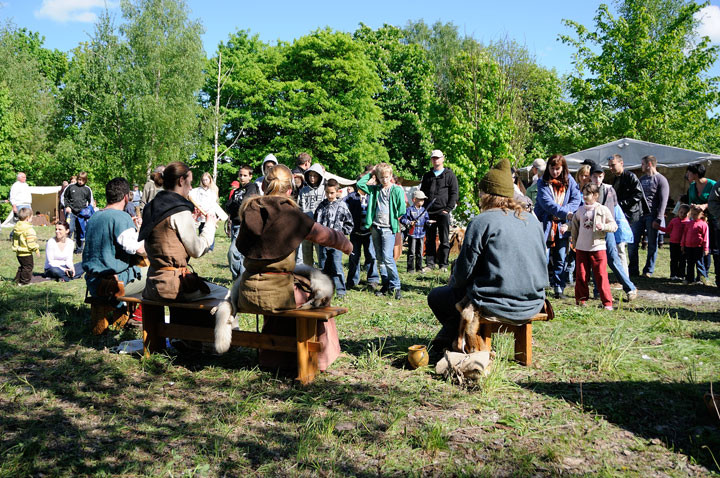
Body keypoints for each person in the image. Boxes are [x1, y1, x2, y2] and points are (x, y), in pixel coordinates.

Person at [234, 164, 352, 371]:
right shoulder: (291, 214)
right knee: (318, 296)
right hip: (280, 293)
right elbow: (325, 235)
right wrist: (345, 243)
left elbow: (240, 245)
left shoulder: (249, 210)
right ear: (290, 190)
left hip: (248, 290)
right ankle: (318, 361)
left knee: (294, 291)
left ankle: (272, 358)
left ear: (265, 186)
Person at [428, 158, 547, 350]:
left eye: (481, 191)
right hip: (534, 301)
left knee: (437, 296)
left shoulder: (482, 221)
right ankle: (449, 334)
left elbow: (463, 273)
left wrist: (454, 279)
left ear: (487, 194)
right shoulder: (533, 221)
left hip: (496, 303)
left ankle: (464, 338)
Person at [83, 178, 147, 298]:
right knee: (156, 275)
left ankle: (128, 311)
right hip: (113, 284)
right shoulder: (121, 217)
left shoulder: (94, 217)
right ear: (126, 197)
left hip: (92, 282)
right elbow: (139, 249)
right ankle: (138, 316)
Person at [357, 163, 407, 299]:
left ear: (391, 176)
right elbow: (360, 184)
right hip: (376, 226)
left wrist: (395, 215)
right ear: (378, 177)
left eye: (387, 177)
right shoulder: (374, 190)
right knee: (379, 258)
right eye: (381, 177)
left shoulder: (396, 190)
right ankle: (385, 284)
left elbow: (402, 208)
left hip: (388, 228)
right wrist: (372, 172)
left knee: (388, 258)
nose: (384, 180)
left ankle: (396, 286)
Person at [534, 154, 582, 299]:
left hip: (562, 226)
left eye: (558, 169)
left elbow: (576, 199)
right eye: (552, 168)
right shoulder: (542, 183)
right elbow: (546, 203)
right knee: (543, 257)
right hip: (546, 225)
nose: (555, 172)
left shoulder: (570, 181)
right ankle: (538, 288)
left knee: (561, 256)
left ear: (563, 168)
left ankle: (559, 289)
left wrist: (565, 213)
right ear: (548, 167)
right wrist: (564, 213)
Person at [589, 162, 637, 301]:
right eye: (595, 176)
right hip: (593, 231)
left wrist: (617, 227)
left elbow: (616, 210)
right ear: (591, 177)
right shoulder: (587, 190)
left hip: (608, 229)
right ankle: (597, 291)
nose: (597, 179)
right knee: (596, 261)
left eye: (600, 176)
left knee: (613, 259)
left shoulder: (610, 190)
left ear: (603, 176)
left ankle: (630, 287)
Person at [571, 183, 618, 310]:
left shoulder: (603, 209)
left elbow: (614, 225)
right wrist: (566, 228)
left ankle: (607, 303)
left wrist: (604, 227)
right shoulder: (580, 210)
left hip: (597, 247)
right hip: (581, 247)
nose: (585, 196)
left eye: (588, 194)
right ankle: (581, 301)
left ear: (596, 195)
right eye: (583, 193)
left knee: (601, 275)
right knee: (581, 275)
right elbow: (574, 225)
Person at [313, 179, 354, 298]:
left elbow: (349, 223)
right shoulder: (322, 206)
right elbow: (316, 222)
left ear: (337, 192)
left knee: (337, 267)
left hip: (337, 243)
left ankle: (341, 291)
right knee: (323, 267)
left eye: (332, 193)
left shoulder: (342, 206)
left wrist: (341, 234)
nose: (329, 195)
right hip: (323, 242)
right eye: (327, 193)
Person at [630, 155, 669, 277]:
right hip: (639, 215)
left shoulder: (661, 180)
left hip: (652, 215)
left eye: (643, 164)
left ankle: (648, 270)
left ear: (650, 164)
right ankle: (633, 269)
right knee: (632, 242)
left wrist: (658, 218)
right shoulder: (641, 179)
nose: (641, 166)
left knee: (652, 243)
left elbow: (664, 201)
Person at [420, 149, 459, 272]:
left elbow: (454, 193)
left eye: (437, 158)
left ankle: (443, 264)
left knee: (444, 239)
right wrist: (423, 209)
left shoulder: (450, 175)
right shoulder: (427, 176)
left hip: (443, 212)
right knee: (430, 239)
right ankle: (430, 264)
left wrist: (447, 209)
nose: (435, 160)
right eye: (433, 158)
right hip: (429, 212)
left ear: (443, 159)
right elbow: (422, 193)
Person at [226, 164, 260, 280]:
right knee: (238, 254)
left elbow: (245, 204)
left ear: (250, 176)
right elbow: (228, 206)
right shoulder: (238, 191)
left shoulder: (252, 187)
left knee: (233, 252)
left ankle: (239, 278)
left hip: (244, 224)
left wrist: (235, 204)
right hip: (235, 224)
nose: (242, 177)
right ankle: (241, 279)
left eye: (245, 175)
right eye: (240, 175)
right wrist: (236, 204)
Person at [344, 182, 380, 290]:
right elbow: (344, 208)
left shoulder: (372, 196)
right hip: (355, 232)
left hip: (369, 233)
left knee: (371, 256)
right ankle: (352, 280)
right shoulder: (351, 197)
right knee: (354, 256)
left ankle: (372, 280)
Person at [686, 163, 717, 283]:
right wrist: (693, 206)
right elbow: (690, 203)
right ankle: (700, 274)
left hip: (713, 220)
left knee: (710, 247)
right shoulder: (692, 186)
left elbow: (717, 202)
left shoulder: (712, 185)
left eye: (689, 172)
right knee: (699, 247)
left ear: (696, 173)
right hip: (697, 221)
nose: (687, 174)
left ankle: (707, 274)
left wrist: (705, 206)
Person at [297, 163, 327, 266]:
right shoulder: (303, 191)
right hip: (306, 229)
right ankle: (308, 278)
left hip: (320, 229)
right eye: (310, 175)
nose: (312, 178)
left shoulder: (324, 190)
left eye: (315, 175)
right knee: (306, 257)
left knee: (321, 256)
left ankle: (323, 277)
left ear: (319, 176)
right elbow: (299, 208)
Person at [608, 154, 647, 225]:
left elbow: (638, 194)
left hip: (631, 214)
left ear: (621, 163)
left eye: (613, 165)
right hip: (620, 212)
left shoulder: (630, 176)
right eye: (609, 166)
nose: (611, 168)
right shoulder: (615, 178)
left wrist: (622, 203)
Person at [62, 171, 94, 254]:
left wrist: (88, 210)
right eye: (79, 179)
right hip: (71, 212)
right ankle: (65, 247)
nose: (80, 182)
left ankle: (79, 249)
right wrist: (67, 206)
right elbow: (64, 197)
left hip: (82, 214)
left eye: (82, 180)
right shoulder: (70, 187)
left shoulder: (87, 189)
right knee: (70, 229)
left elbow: (91, 202)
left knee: (80, 231)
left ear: (85, 180)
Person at [401, 190, 431, 273]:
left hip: (421, 233)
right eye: (420, 199)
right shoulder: (409, 210)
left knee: (420, 252)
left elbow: (426, 220)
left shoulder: (424, 211)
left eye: (423, 199)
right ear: (414, 200)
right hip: (413, 233)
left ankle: (419, 268)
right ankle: (410, 269)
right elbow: (403, 219)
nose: (422, 201)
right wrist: (409, 222)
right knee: (411, 252)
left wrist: (429, 222)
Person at [188, 172, 219, 251]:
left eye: (206, 179)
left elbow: (213, 202)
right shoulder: (198, 190)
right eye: (203, 180)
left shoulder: (213, 190)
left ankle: (210, 247)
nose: (205, 181)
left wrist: (208, 211)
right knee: (201, 228)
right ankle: (201, 245)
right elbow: (191, 196)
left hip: (209, 212)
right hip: (200, 212)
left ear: (210, 180)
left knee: (210, 229)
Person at [659, 204, 690, 281]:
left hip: (684, 244)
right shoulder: (674, 220)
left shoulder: (688, 223)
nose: (682, 214)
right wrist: (658, 227)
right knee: (674, 260)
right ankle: (673, 275)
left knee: (682, 260)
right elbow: (668, 230)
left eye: (685, 213)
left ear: (688, 214)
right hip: (673, 243)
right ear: (678, 212)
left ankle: (681, 275)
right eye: (681, 212)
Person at [681, 205, 710, 285]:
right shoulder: (688, 223)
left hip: (698, 247)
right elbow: (684, 235)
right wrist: (683, 245)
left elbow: (705, 238)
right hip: (688, 247)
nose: (693, 216)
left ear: (701, 215)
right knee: (690, 263)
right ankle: (689, 279)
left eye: (695, 214)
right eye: (692, 214)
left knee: (699, 263)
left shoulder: (703, 224)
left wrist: (706, 248)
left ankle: (700, 279)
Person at [12, 208, 40, 285]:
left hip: (19, 252)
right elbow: (31, 243)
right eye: (31, 217)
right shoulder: (29, 229)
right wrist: (36, 249)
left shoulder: (17, 227)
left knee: (23, 266)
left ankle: (17, 280)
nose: (32, 219)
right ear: (28, 218)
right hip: (26, 252)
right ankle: (25, 282)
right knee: (28, 267)